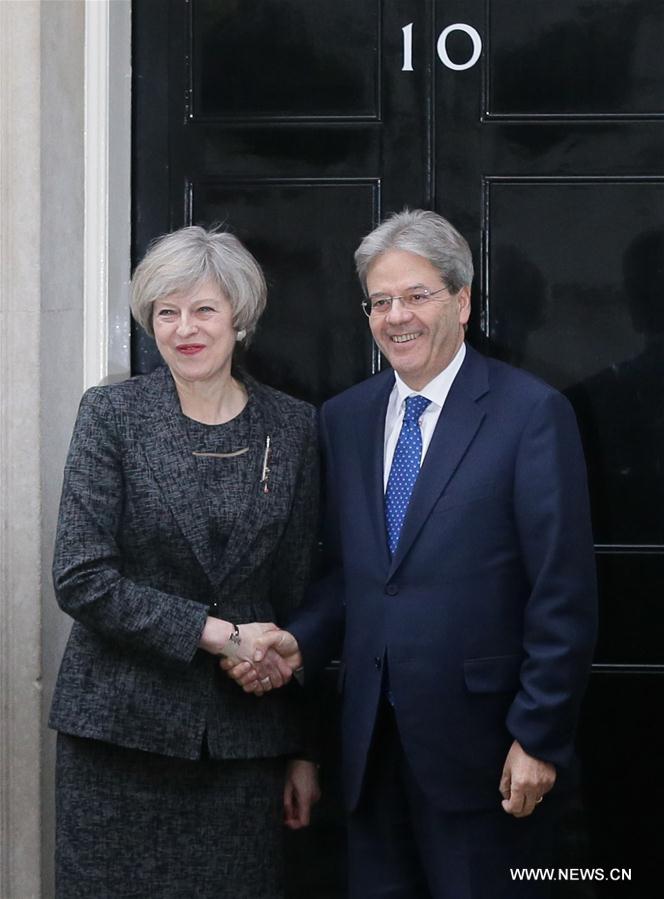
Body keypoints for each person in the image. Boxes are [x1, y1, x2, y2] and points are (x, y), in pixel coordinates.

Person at [225, 210, 598, 898]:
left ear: (462, 301)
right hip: (370, 752)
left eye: (417, 295)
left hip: (487, 753)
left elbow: (562, 590)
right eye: (380, 300)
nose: (397, 316)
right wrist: (300, 643)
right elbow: (348, 574)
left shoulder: (530, 413)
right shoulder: (345, 418)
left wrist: (539, 735)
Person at [49, 225, 320, 898]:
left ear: (239, 317)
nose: (184, 329)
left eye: (203, 309)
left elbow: (297, 595)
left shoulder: (293, 427)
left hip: (244, 747)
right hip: (118, 742)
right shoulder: (111, 415)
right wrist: (218, 634)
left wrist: (305, 749)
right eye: (166, 312)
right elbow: (81, 576)